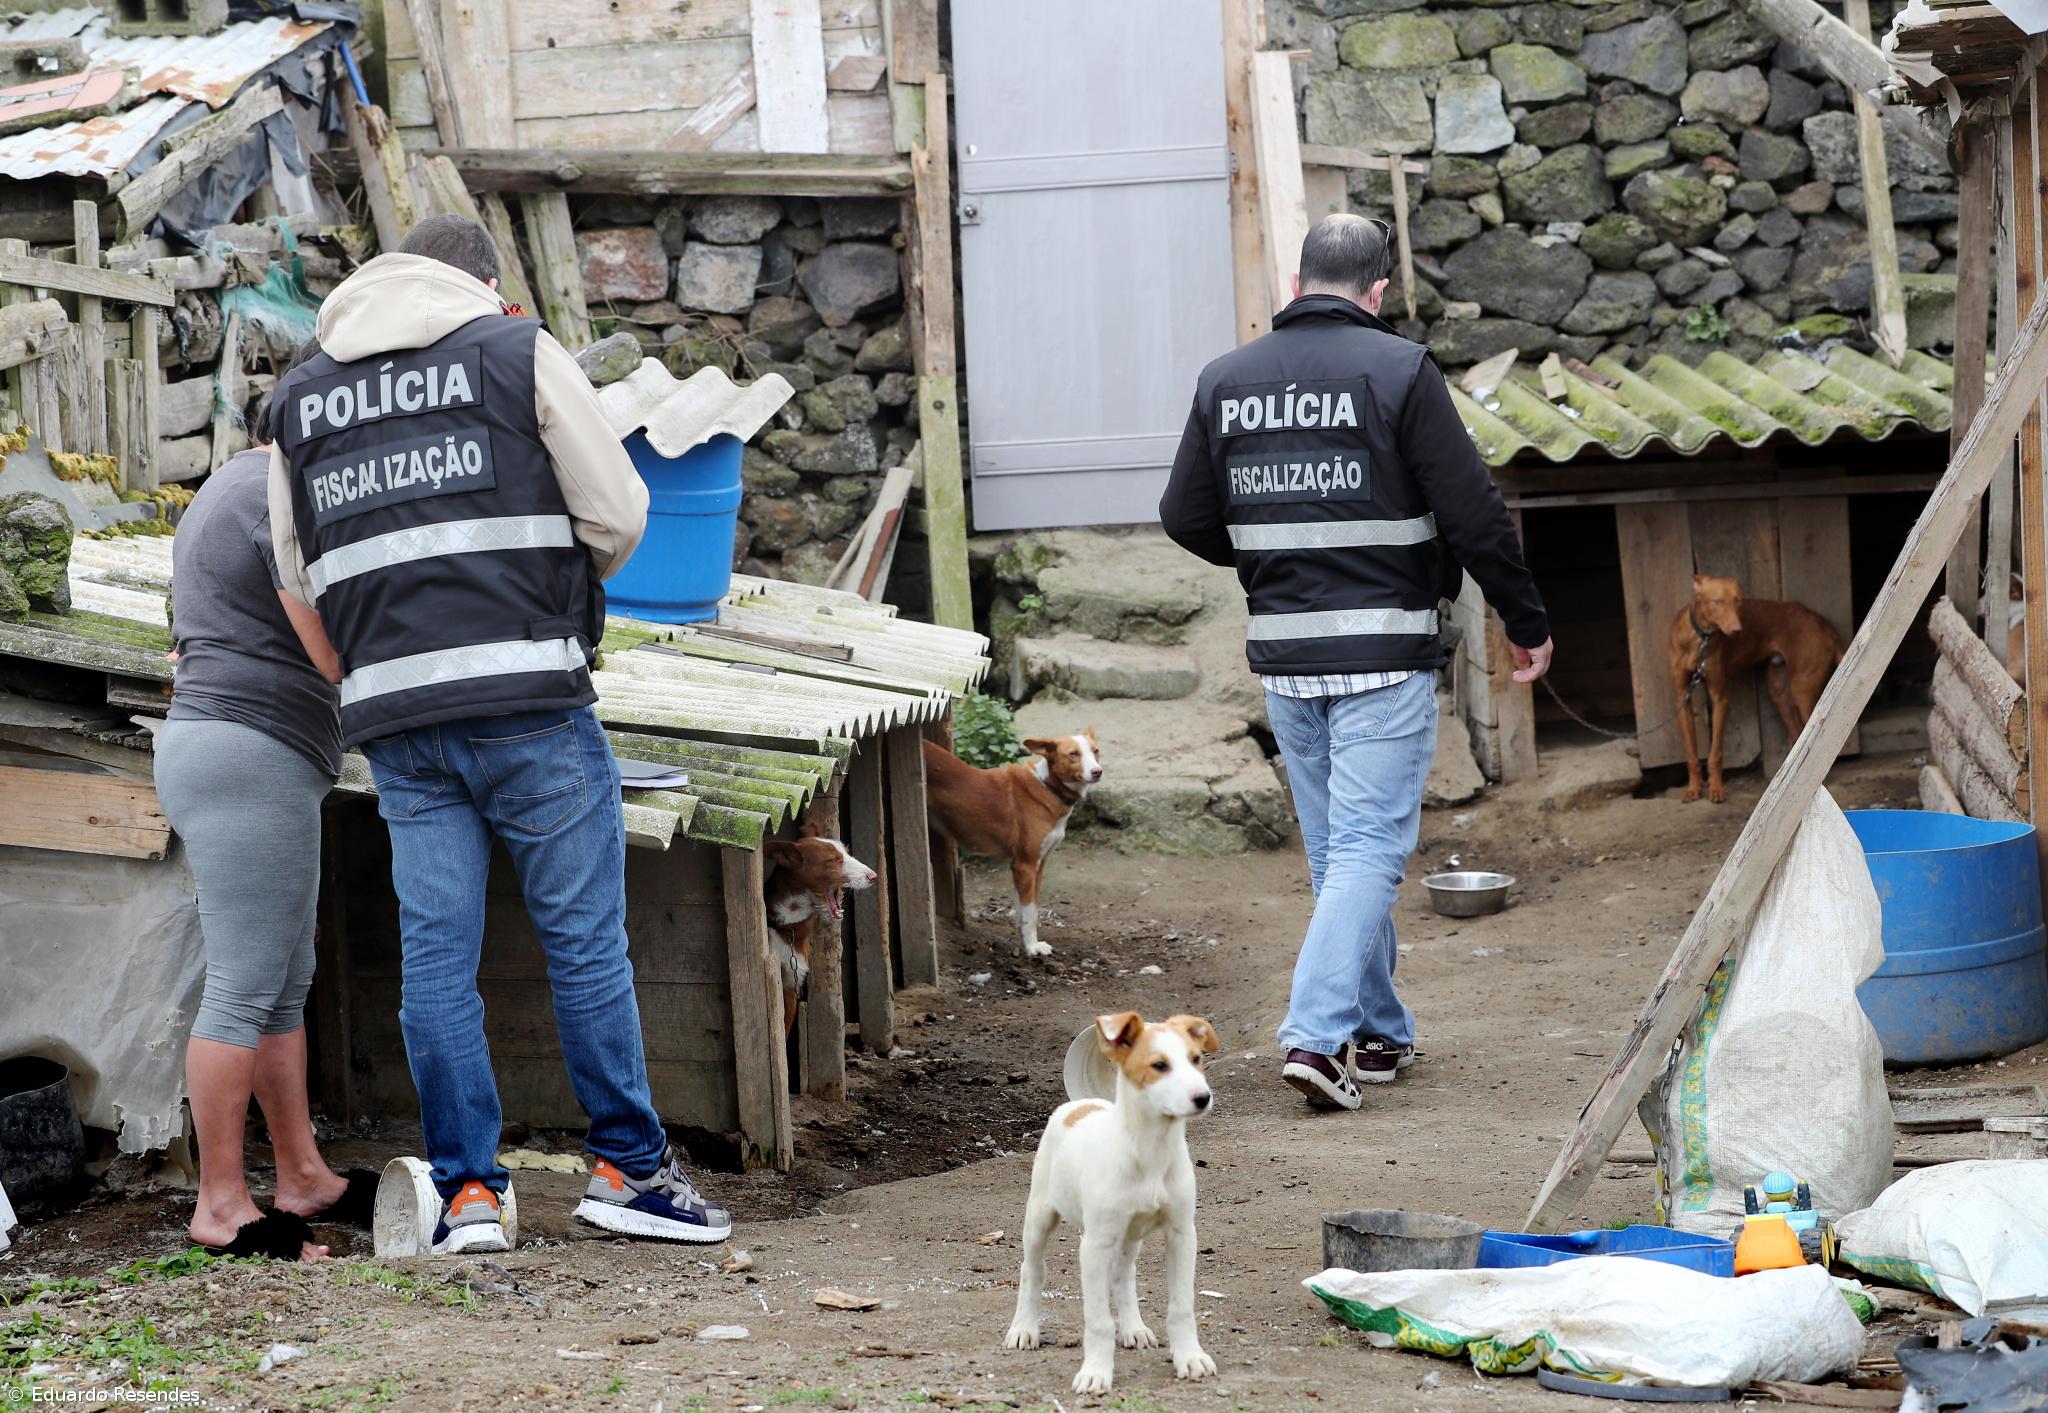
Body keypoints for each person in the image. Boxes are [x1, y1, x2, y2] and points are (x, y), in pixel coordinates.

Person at [265, 215, 730, 1253]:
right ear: (482, 283)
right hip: (530, 701)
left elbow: (297, 576)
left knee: (436, 961)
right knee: (583, 946)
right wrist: (540, 605)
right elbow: (616, 511)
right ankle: (629, 1172)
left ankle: (469, 1194)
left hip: (397, 721)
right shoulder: (513, 350)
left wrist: (373, 669)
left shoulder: (297, 397)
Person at [1158, 213, 1553, 1112]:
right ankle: (1315, 1035)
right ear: (1377, 293)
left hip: (1288, 659)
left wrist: (1275, 559)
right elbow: (1476, 516)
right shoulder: (1401, 370)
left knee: (1342, 856)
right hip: (1382, 651)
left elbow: (1184, 516)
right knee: (1369, 850)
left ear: (1295, 288)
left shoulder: (1225, 380)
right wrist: (1526, 621)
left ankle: (1378, 1033)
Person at [157, 342, 372, 1259]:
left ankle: (301, 1177)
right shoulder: (268, 494)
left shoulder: (230, 485)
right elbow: (329, 643)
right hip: (249, 751)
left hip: (249, 749)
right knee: (244, 985)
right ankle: (220, 1205)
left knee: (283, 979)